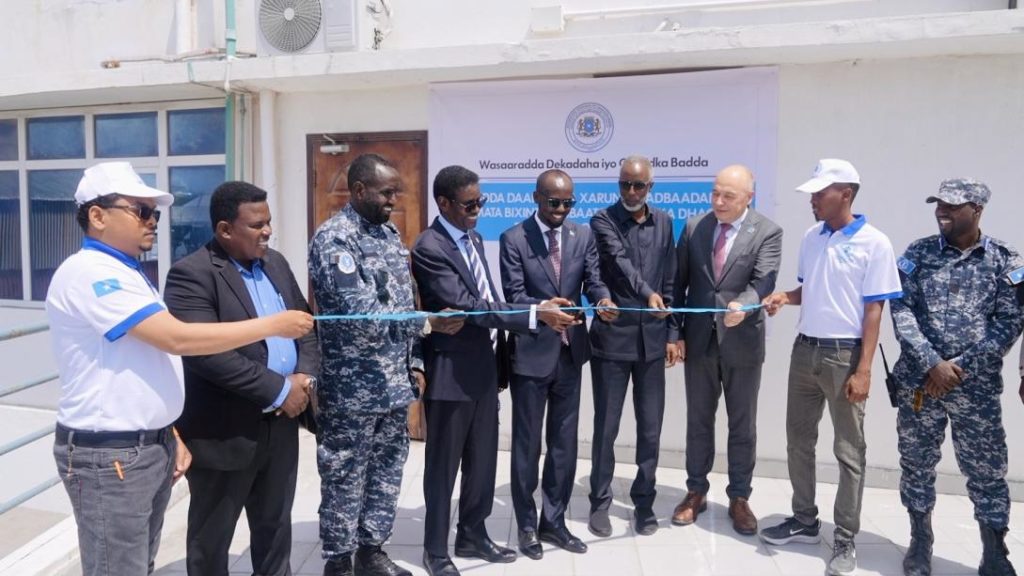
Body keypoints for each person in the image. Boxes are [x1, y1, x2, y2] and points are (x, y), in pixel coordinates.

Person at [45, 162, 313, 576]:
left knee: (139, 563)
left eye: (154, 212)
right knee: (122, 567)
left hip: (145, 445)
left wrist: (167, 432)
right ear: (97, 216)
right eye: (141, 211)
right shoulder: (92, 274)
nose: (153, 221)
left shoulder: (128, 272)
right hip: (112, 452)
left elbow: (148, 363)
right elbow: (180, 340)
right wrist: (273, 326)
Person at [410, 165, 578, 576]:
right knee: (443, 467)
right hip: (451, 373)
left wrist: (534, 310)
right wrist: (536, 314)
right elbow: (470, 307)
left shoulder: (472, 238)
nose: (477, 210)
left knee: (482, 462)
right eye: (469, 204)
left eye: (480, 202)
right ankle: (435, 549)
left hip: (485, 368)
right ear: (443, 203)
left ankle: (472, 533)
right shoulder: (429, 247)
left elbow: (488, 299)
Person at [308, 154, 464, 576]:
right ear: (359, 190)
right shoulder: (335, 240)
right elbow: (360, 315)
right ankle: (339, 560)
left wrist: (416, 361)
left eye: (396, 192)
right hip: (352, 390)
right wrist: (427, 323)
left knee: (387, 471)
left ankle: (371, 551)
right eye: (387, 192)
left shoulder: (389, 233)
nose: (394, 200)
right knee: (345, 474)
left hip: (394, 384)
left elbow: (405, 298)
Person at [163, 181, 319, 576]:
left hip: (281, 426)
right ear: (225, 229)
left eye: (268, 222)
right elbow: (207, 353)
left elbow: (305, 325)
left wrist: (303, 377)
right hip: (225, 432)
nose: (267, 231)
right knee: (212, 541)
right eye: (256, 225)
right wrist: (279, 389)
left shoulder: (276, 263)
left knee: (275, 530)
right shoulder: (192, 275)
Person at [758, 159, 902, 576]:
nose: (813, 200)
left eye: (821, 193)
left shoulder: (875, 243)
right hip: (804, 352)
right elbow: (811, 289)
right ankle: (804, 520)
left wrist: (864, 370)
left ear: (847, 194)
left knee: (848, 451)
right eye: (812, 194)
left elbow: (874, 310)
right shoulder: (812, 237)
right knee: (798, 441)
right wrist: (785, 297)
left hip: (845, 357)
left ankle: (844, 538)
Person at [890, 179, 1024, 576]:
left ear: (977, 209)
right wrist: (933, 363)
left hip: (975, 389)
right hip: (920, 383)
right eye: (938, 204)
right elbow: (901, 310)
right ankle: (920, 541)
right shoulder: (918, 253)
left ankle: (994, 551)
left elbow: (1010, 323)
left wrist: (956, 369)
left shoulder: (1005, 260)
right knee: (917, 463)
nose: (941, 211)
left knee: (987, 470)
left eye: (952, 205)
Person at [498, 169, 617, 560]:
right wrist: (543, 310)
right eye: (554, 202)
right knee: (527, 446)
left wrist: (602, 300)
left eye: (568, 203)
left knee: (563, 446)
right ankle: (526, 525)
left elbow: (593, 281)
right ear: (536, 198)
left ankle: (554, 520)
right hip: (531, 355)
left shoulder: (582, 235)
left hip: (570, 354)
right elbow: (513, 296)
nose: (562, 209)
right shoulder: (514, 238)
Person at [671, 165, 782, 536]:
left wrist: (744, 305)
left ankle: (739, 497)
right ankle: (695, 491)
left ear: (749, 197)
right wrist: (675, 333)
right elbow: (678, 285)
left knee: (742, 424)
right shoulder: (694, 227)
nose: (718, 201)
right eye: (715, 193)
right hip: (699, 342)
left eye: (728, 196)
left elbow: (764, 279)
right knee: (698, 421)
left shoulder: (767, 232)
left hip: (742, 342)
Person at [587, 154, 679, 537]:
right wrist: (642, 294)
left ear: (650, 187)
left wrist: (672, 333)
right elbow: (618, 262)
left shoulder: (665, 222)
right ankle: (599, 502)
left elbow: (671, 279)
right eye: (624, 183)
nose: (630, 191)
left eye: (638, 185)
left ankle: (644, 503)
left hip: (652, 344)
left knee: (651, 429)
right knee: (606, 428)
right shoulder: (603, 220)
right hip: (612, 340)